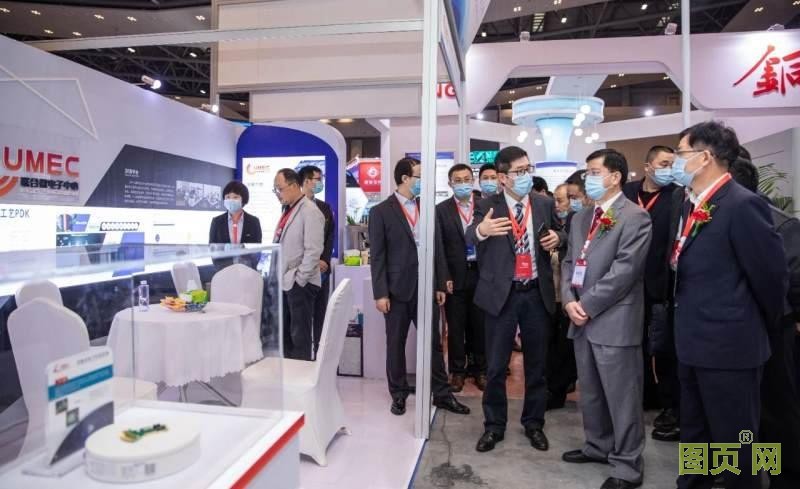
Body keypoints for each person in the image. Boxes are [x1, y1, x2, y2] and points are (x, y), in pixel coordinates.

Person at [670, 121, 787, 489]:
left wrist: (750, 326)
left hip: (731, 347)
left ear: (705, 157)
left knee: (738, 442)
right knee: (695, 431)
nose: (676, 161)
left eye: (680, 153)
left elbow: (771, 278)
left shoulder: (743, 204)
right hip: (692, 341)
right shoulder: (691, 203)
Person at [560, 149, 651, 489]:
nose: (588, 179)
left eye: (595, 172)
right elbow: (569, 261)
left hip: (614, 319)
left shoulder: (635, 217)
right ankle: (598, 445)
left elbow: (625, 270)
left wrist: (586, 304)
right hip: (580, 316)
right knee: (592, 391)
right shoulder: (581, 217)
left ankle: (627, 464)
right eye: (587, 173)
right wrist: (569, 300)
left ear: (615, 177)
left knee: (622, 396)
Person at [466, 146, 565, 453]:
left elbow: (562, 232)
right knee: (496, 367)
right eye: (519, 171)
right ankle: (494, 426)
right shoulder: (487, 205)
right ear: (503, 178)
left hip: (535, 292)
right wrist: (482, 230)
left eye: (528, 169)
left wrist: (558, 238)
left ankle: (534, 423)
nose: (526, 176)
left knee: (537, 366)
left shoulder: (544, 203)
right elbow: (470, 235)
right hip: (502, 295)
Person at [368, 157, 470, 416]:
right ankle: (399, 394)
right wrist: (380, 293)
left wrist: (439, 283)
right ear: (405, 178)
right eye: (419, 176)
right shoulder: (381, 212)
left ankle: (442, 394)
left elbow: (438, 248)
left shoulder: (427, 208)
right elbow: (378, 256)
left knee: (433, 343)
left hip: (426, 288)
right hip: (396, 290)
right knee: (396, 344)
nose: (423, 181)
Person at [729, 156, 800, 489]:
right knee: (741, 413)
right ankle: (745, 470)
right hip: (729, 331)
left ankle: (784, 477)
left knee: (775, 410)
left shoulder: (781, 223)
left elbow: (788, 282)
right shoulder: (709, 218)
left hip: (772, 329)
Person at [622, 145, 681, 440]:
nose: (669, 169)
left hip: (661, 284)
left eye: (672, 164)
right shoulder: (627, 192)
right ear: (648, 166)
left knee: (663, 347)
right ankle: (643, 395)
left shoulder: (678, 196)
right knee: (634, 343)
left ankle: (670, 406)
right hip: (626, 283)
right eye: (664, 163)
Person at [436, 164, 487, 392]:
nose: (463, 184)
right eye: (458, 180)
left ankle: (480, 369)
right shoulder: (441, 210)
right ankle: (457, 371)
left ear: (473, 180)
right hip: (455, 277)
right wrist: (443, 276)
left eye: (467, 179)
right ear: (450, 184)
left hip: (481, 273)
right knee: (455, 327)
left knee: (480, 325)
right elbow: (439, 248)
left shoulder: (485, 206)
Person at [273, 169, 325, 361]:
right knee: (287, 336)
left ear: (294, 185)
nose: (278, 194)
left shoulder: (310, 211)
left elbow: (313, 250)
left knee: (299, 337)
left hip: (300, 284)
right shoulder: (289, 209)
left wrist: (300, 279)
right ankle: (289, 374)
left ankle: (301, 375)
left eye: (280, 189)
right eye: (275, 189)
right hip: (286, 282)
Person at [546, 182, 577, 410]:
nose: (556, 205)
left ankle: (560, 389)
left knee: (565, 348)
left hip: (569, 298)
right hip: (549, 297)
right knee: (549, 348)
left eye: (560, 200)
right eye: (554, 200)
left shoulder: (577, 227)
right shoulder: (549, 227)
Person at [298, 165, 335, 358]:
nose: (321, 182)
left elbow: (330, 237)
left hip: (322, 270)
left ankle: (319, 357)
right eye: (317, 179)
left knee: (321, 314)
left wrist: (324, 260)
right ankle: (303, 359)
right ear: (306, 181)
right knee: (302, 318)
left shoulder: (324, 208)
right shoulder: (293, 206)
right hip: (302, 271)